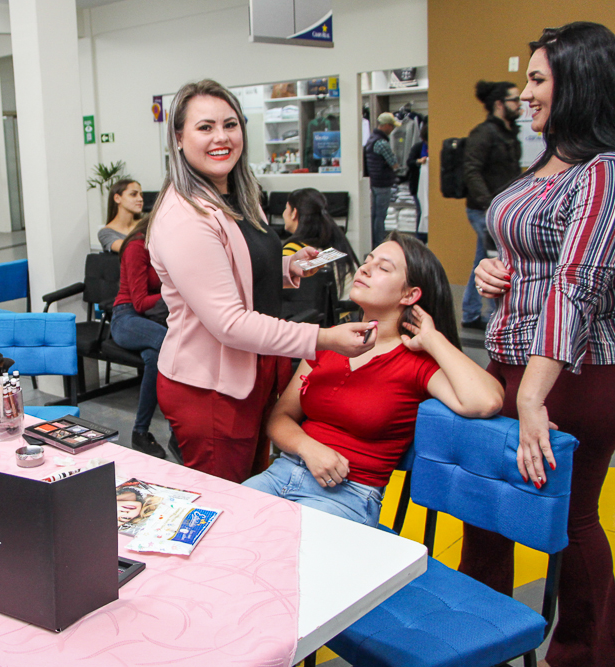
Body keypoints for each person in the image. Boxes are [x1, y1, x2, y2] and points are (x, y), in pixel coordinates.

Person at [467, 22, 615, 667]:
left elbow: (580, 285)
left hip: (571, 373)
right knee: (487, 503)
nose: (523, 92)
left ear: (577, 84)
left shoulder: (604, 171)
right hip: (512, 359)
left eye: (536, 79)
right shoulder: (547, 159)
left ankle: (583, 652)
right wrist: (491, 273)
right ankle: (477, 632)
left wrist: (532, 397)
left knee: (570, 519)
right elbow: (529, 255)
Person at [147, 79, 378, 484]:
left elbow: (234, 269)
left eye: (230, 124)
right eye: (205, 127)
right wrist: (324, 339)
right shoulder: (184, 217)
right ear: (179, 138)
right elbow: (230, 324)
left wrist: (286, 270)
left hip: (256, 373)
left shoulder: (236, 192)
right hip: (211, 389)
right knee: (226, 505)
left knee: (253, 490)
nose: (222, 137)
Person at [244, 232, 503, 526]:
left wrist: (432, 339)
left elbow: (486, 401)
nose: (365, 268)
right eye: (368, 261)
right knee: (219, 532)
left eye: (383, 267)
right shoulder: (333, 340)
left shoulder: (416, 363)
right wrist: (308, 447)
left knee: (277, 549)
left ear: (409, 295)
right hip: (280, 475)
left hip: (346, 496)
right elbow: (280, 418)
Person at [461, 80, 523, 330]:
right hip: (485, 210)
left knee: (483, 260)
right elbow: (471, 170)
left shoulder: (509, 132)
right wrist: (490, 205)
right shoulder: (484, 133)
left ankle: (470, 312)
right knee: (497, 261)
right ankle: (494, 315)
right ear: (499, 104)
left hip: (501, 209)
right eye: (515, 100)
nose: (521, 104)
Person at [110, 215, 168, 459]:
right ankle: (177, 431)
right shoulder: (137, 245)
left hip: (152, 319)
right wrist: (177, 292)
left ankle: (140, 432)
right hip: (126, 318)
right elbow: (141, 302)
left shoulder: (163, 245)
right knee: (170, 343)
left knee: (157, 358)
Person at [280, 188, 359, 292]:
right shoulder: (335, 240)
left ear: (294, 213)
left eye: (286, 209)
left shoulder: (295, 250)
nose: (283, 214)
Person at [365, 112, 401, 249]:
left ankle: (374, 241)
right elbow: (393, 163)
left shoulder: (371, 139)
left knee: (374, 215)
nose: (392, 129)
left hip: (373, 182)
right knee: (381, 215)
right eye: (391, 126)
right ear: (386, 126)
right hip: (383, 183)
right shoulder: (382, 142)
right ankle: (380, 243)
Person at [97, 178, 143, 252]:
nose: (140, 199)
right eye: (133, 194)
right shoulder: (106, 233)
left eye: (141, 195)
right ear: (117, 198)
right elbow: (130, 249)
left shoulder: (147, 225)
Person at [406, 122, 429, 242]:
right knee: (421, 211)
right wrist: (418, 162)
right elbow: (409, 162)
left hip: (432, 187)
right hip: (417, 186)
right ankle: (421, 239)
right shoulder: (418, 148)